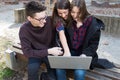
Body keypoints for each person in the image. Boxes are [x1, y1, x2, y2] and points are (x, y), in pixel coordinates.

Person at [52, 0, 105, 80]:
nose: (75, 15)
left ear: (83, 11)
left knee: (79, 73)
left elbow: (94, 45)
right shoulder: (67, 19)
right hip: (70, 51)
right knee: (59, 68)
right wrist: (65, 51)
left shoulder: (92, 23)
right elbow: (61, 35)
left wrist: (84, 55)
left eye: (78, 13)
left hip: (83, 53)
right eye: (73, 12)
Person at [19, 1, 63, 80]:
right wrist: (48, 51)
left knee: (53, 77)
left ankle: (44, 76)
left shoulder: (50, 20)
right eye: (40, 19)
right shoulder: (24, 30)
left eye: (45, 17)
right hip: (36, 53)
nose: (44, 21)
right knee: (32, 71)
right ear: (29, 18)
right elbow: (27, 52)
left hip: (52, 52)